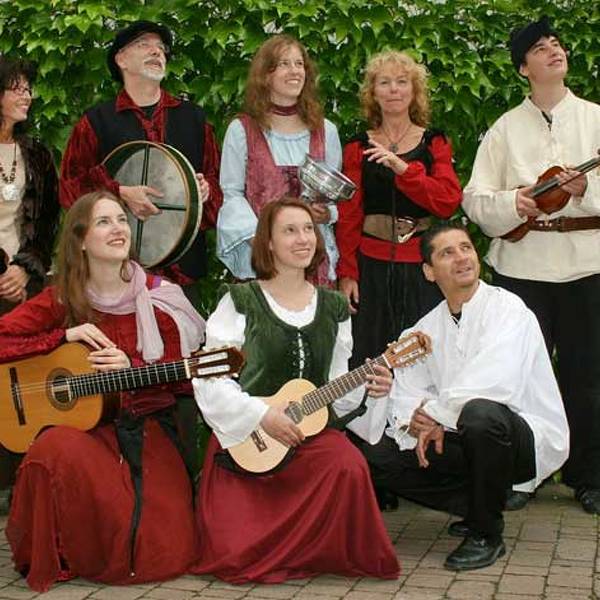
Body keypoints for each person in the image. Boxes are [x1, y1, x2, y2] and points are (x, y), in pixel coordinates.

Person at [0, 191, 205, 591]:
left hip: (147, 435)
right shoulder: (62, 298)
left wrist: (135, 367)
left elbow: (187, 378)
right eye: (104, 222)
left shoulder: (163, 298)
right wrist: (61, 337)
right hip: (87, 436)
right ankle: (62, 553)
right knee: (51, 447)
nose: (118, 229)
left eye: (122, 220)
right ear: (80, 240)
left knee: (159, 550)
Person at [191, 197, 399, 583]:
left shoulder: (334, 307)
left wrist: (372, 388)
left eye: (308, 229)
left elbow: (336, 385)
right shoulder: (239, 301)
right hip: (248, 438)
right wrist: (262, 415)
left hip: (309, 435)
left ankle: (318, 549)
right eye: (289, 230)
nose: (303, 238)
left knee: (349, 464)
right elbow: (209, 377)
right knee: (236, 556)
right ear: (268, 243)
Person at [359, 222, 569, 571]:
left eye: (466, 248)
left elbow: (494, 382)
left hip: (519, 441)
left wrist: (437, 414)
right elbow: (407, 390)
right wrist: (418, 419)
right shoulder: (424, 329)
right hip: (459, 437)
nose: (461, 258)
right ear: (429, 271)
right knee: (378, 455)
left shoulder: (508, 309)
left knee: (480, 414)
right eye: (447, 253)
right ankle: (477, 506)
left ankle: (486, 533)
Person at [462, 16, 600, 513]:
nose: (554, 51)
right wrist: (514, 203)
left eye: (556, 44)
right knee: (519, 377)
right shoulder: (504, 129)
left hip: (588, 265)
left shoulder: (595, 119)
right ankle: (524, 474)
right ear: (524, 68)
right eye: (540, 48)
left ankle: (590, 476)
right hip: (522, 269)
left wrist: (586, 191)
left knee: (589, 376)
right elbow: (474, 199)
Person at [59, 20, 223, 289]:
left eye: (161, 47)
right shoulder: (95, 122)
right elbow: (69, 189)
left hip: (182, 273)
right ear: (121, 59)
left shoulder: (194, 119)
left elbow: (218, 185)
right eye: (143, 44)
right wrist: (119, 192)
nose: (157, 51)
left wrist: (204, 191)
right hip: (115, 272)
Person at [337, 50, 461, 370]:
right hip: (371, 266)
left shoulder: (434, 142)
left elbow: (447, 200)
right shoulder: (357, 146)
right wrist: (348, 273)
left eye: (402, 82)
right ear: (373, 93)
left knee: (425, 356)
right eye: (385, 82)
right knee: (368, 355)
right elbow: (349, 214)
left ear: (414, 91)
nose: (394, 89)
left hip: (423, 269)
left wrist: (404, 170)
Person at [217, 34, 341, 286]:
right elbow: (232, 194)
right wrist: (264, 243)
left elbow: (333, 197)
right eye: (284, 64)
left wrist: (326, 213)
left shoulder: (325, 131)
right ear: (266, 74)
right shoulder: (242, 130)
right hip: (263, 261)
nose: (295, 71)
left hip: (312, 261)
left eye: (299, 64)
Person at [0, 57, 60, 515]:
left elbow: (46, 223)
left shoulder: (37, 153)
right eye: (17, 88)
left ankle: (18, 477)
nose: (27, 96)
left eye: (28, 89)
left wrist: (24, 269)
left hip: (25, 283)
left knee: (23, 377)